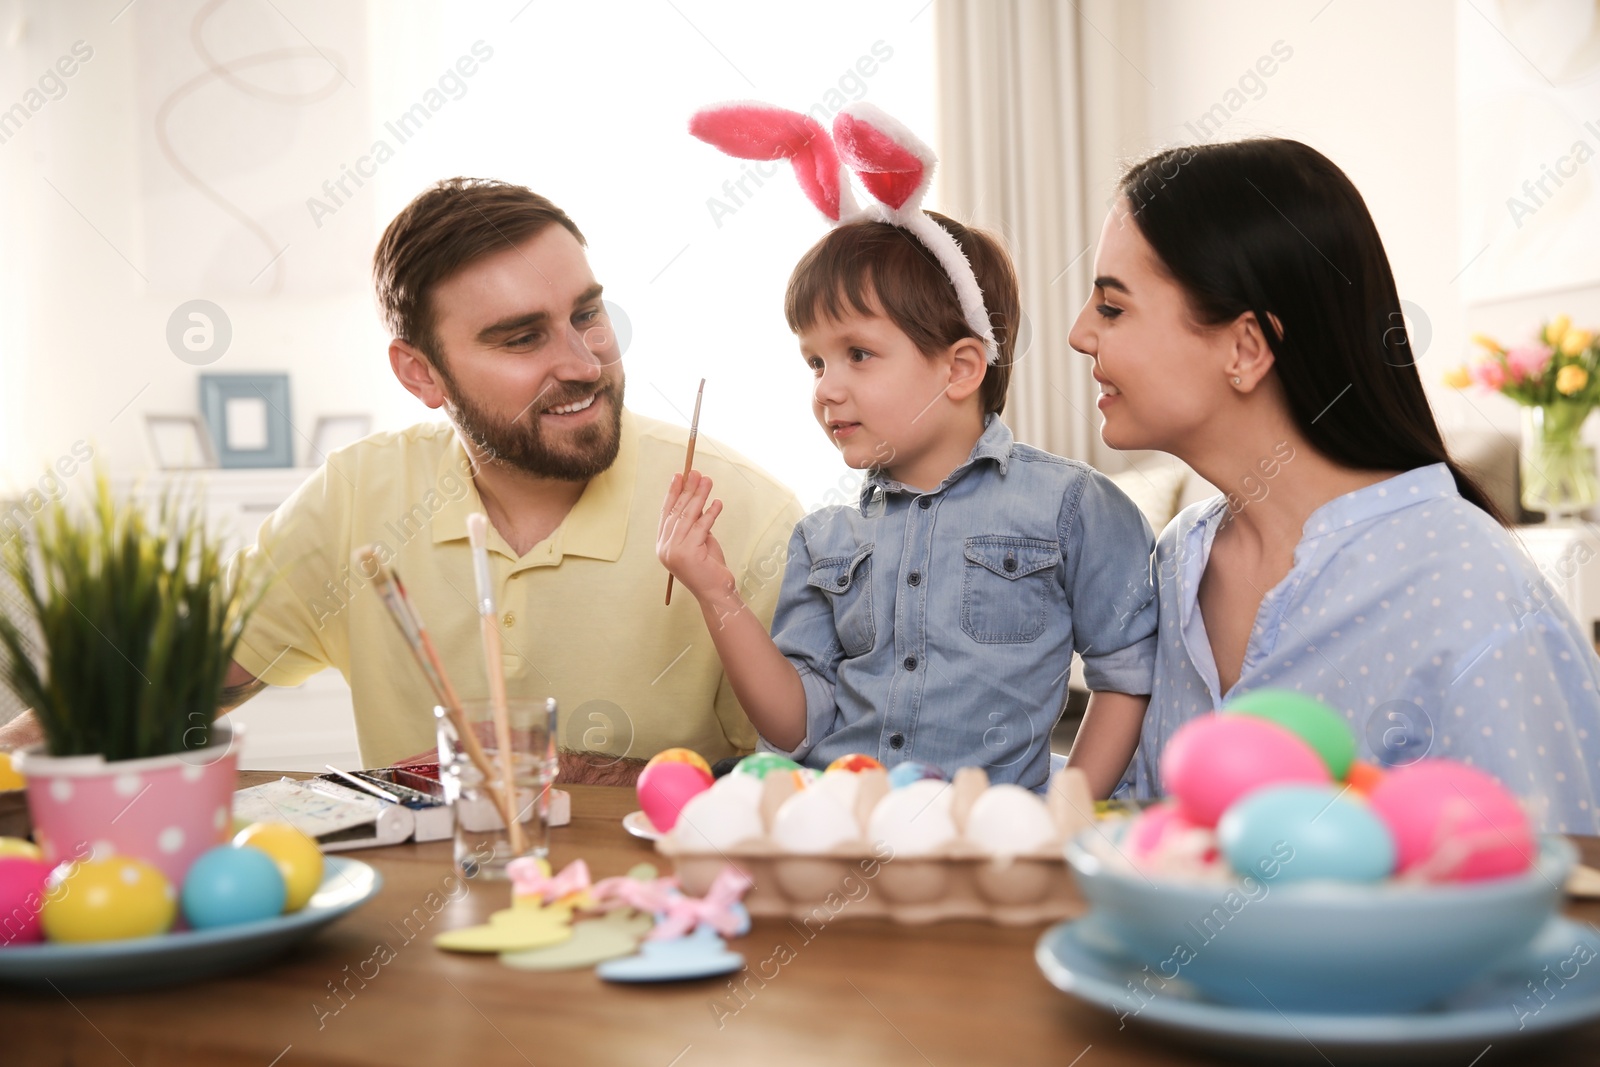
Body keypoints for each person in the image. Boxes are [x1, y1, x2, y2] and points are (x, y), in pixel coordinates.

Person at [0, 179, 802, 782]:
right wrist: (21, 750)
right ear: (421, 373)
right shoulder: (359, 496)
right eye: (523, 337)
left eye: (587, 314)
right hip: (425, 948)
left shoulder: (750, 514)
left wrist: (567, 769)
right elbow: (179, 681)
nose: (584, 363)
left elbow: (819, 777)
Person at [1067, 137, 1600, 831]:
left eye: (1112, 308)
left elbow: (1564, 896)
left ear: (1245, 348)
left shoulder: (1463, 580)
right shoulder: (1175, 563)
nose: (1081, 333)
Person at [659, 108, 1159, 793]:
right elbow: (796, 727)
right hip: (842, 826)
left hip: (984, 841)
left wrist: (1059, 815)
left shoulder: (1072, 506)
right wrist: (713, 589)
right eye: (813, 362)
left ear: (959, 369)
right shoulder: (825, 538)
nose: (826, 389)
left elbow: (1127, 675)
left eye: (857, 354)